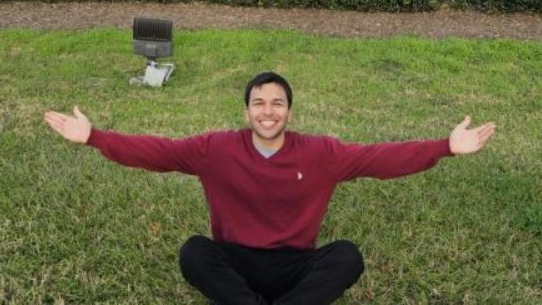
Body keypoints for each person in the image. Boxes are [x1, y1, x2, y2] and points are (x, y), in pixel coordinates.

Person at [44, 71, 496, 304]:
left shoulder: (321, 153)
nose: (267, 110)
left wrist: (445, 147)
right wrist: (96, 137)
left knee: (347, 257)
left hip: (295, 264)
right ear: (246, 112)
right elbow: (158, 151)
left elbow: (379, 159)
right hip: (235, 262)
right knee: (193, 252)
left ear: (289, 113)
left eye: (277, 103)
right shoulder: (214, 149)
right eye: (258, 103)